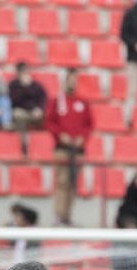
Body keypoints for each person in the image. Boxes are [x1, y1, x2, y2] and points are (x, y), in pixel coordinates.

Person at [46, 69, 93, 225]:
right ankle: (58, 215)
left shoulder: (83, 102)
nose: (72, 82)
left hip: (78, 150)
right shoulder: (57, 101)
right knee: (62, 182)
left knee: (73, 183)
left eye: (75, 79)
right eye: (70, 79)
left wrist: (82, 138)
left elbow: (89, 124)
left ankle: (67, 215)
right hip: (62, 149)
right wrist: (61, 135)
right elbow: (49, 122)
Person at [10, 62, 49, 149]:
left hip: (36, 111)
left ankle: (44, 146)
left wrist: (39, 109)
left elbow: (43, 98)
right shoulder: (13, 85)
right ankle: (23, 145)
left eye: (24, 71)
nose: (23, 74)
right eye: (20, 71)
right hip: (21, 111)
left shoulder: (36, 85)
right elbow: (15, 101)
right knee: (18, 115)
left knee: (48, 117)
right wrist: (25, 87)